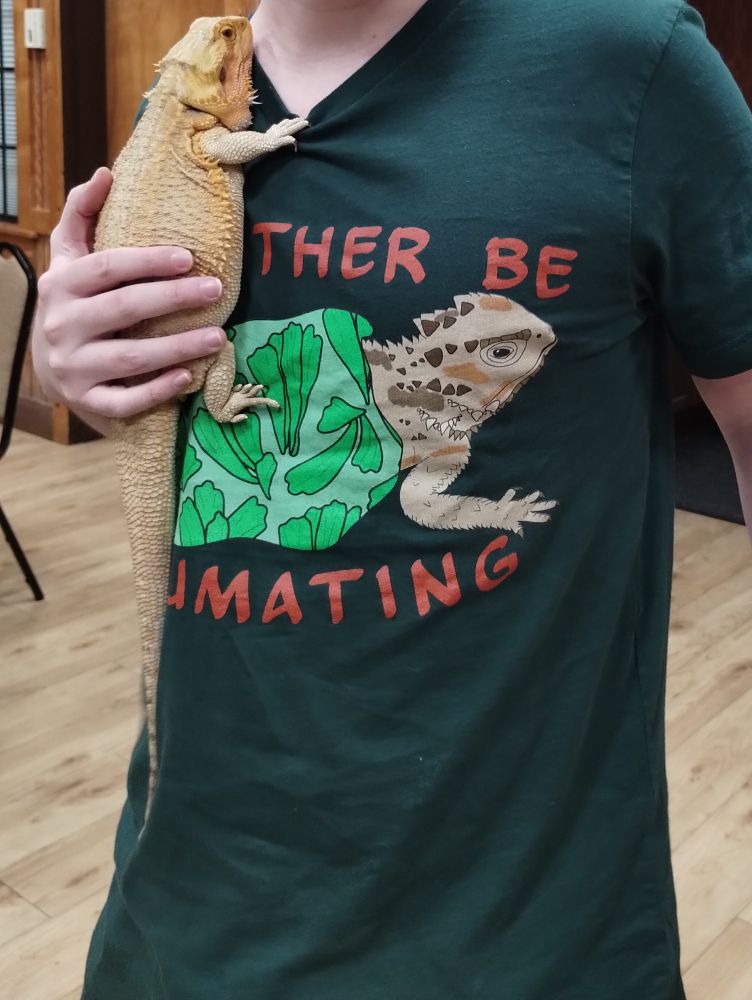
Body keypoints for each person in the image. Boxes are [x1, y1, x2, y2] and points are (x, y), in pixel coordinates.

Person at [31, 1, 752, 997]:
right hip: (188, 899)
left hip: (523, 923)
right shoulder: (185, 96)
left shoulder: (631, 62)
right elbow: (165, 357)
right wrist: (71, 354)